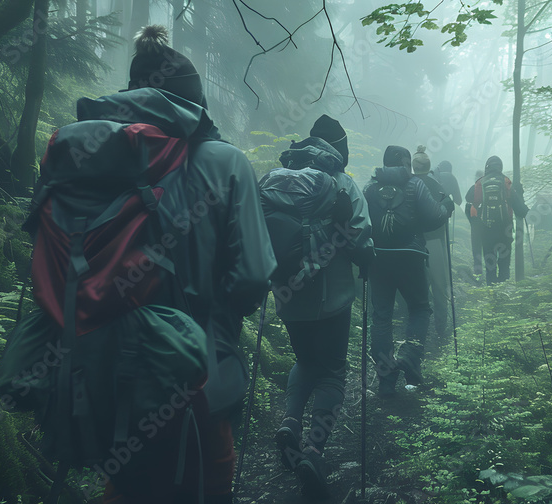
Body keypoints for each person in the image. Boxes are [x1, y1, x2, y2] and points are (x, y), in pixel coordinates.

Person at [100, 26, 277, 504]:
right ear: (195, 101)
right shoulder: (225, 162)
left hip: (105, 363)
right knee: (205, 483)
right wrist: (222, 320)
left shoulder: (97, 153)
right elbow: (255, 274)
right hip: (199, 363)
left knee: (127, 483)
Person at [270, 115, 374, 498]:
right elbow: (361, 236)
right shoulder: (342, 183)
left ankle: (290, 422)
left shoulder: (280, 177)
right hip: (332, 296)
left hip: (287, 293)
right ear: (340, 149)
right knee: (331, 371)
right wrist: (366, 258)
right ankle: (313, 450)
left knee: (304, 360)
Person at [363, 146, 452, 396]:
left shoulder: (369, 187)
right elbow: (434, 218)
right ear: (405, 163)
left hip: (378, 258)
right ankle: (410, 358)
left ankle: (386, 378)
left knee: (381, 316)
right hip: (411, 256)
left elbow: (360, 221)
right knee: (419, 308)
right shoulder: (415, 185)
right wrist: (446, 206)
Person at [466, 156, 529, 284]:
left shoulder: (480, 184)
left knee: (490, 266)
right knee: (504, 265)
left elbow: (468, 198)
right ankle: (503, 292)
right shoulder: (507, 184)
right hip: (505, 231)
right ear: (500, 167)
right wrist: (520, 194)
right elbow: (521, 211)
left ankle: (491, 292)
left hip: (486, 231)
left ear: (487, 167)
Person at [411, 146, 451, 343]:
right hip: (435, 240)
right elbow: (446, 211)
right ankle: (441, 328)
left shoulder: (408, 183)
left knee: (418, 285)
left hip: (412, 241)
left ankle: (417, 331)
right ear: (427, 165)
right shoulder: (436, 185)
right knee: (439, 285)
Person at [465, 169, 485, 278]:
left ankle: (478, 273)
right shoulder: (489, 188)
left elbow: (467, 202)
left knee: (476, 248)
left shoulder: (473, 189)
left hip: (476, 223)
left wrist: (472, 221)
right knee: (489, 247)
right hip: (489, 224)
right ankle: (492, 274)